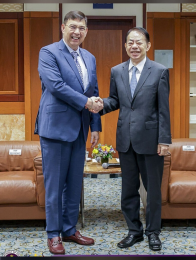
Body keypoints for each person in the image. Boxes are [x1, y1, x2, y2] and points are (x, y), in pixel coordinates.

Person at [94, 27, 171, 251]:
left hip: (151, 140)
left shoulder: (159, 71)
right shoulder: (117, 71)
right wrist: (100, 105)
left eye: (139, 42)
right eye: (130, 42)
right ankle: (134, 231)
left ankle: (153, 232)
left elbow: (163, 109)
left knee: (152, 190)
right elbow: (115, 101)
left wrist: (164, 140)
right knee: (128, 190)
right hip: (125, 140)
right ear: (126, 46)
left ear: (148, 46)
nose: (134, 46)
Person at [36, 10, 103, 255]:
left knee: (75, 184)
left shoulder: (89, 57)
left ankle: (69, 229)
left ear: (86, 31)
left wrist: (95, 125)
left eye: (82, 28)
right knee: (54, 185)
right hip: (54, 130)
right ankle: (53, 234)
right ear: (63, 27)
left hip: (80, 130)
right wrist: (87, 103)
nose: (77, 32)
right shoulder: (49, 52)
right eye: (72, 26)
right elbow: (56, 86)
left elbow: (93, 90)